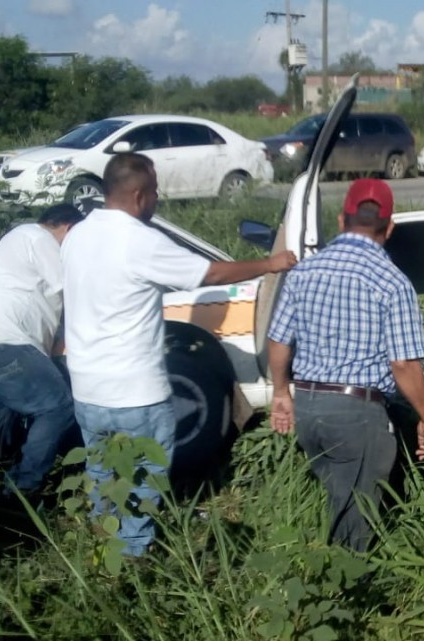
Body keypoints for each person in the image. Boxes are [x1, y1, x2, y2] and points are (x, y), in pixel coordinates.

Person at [61, 152, 296, 557]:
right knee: (142, 481)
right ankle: (133, 561)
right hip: (134, 393)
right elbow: (211, 274)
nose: (157, 200)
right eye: (154, 192)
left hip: (86, 388)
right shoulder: (139, 240)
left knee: (104, 475)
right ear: (138, 195)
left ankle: (101, 549)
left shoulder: (81, 233)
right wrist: (271, 263)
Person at [267, 178, 424, 553]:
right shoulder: (392, 282)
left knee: (337, 499)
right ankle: (343, 597)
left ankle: (327, 579)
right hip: (357, 414)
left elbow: (279, 342)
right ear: (389, 228)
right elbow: (404, 364)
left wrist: (281, 393)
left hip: (310, 408)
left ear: (341, 221)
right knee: (354, 524)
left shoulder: (303, 273)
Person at [0, 204, 84, 496]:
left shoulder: (16, 244)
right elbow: (73, 287)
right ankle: (22, 489)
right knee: (57, 407)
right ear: (69, 229)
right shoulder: (38, 238)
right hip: (5, 345)